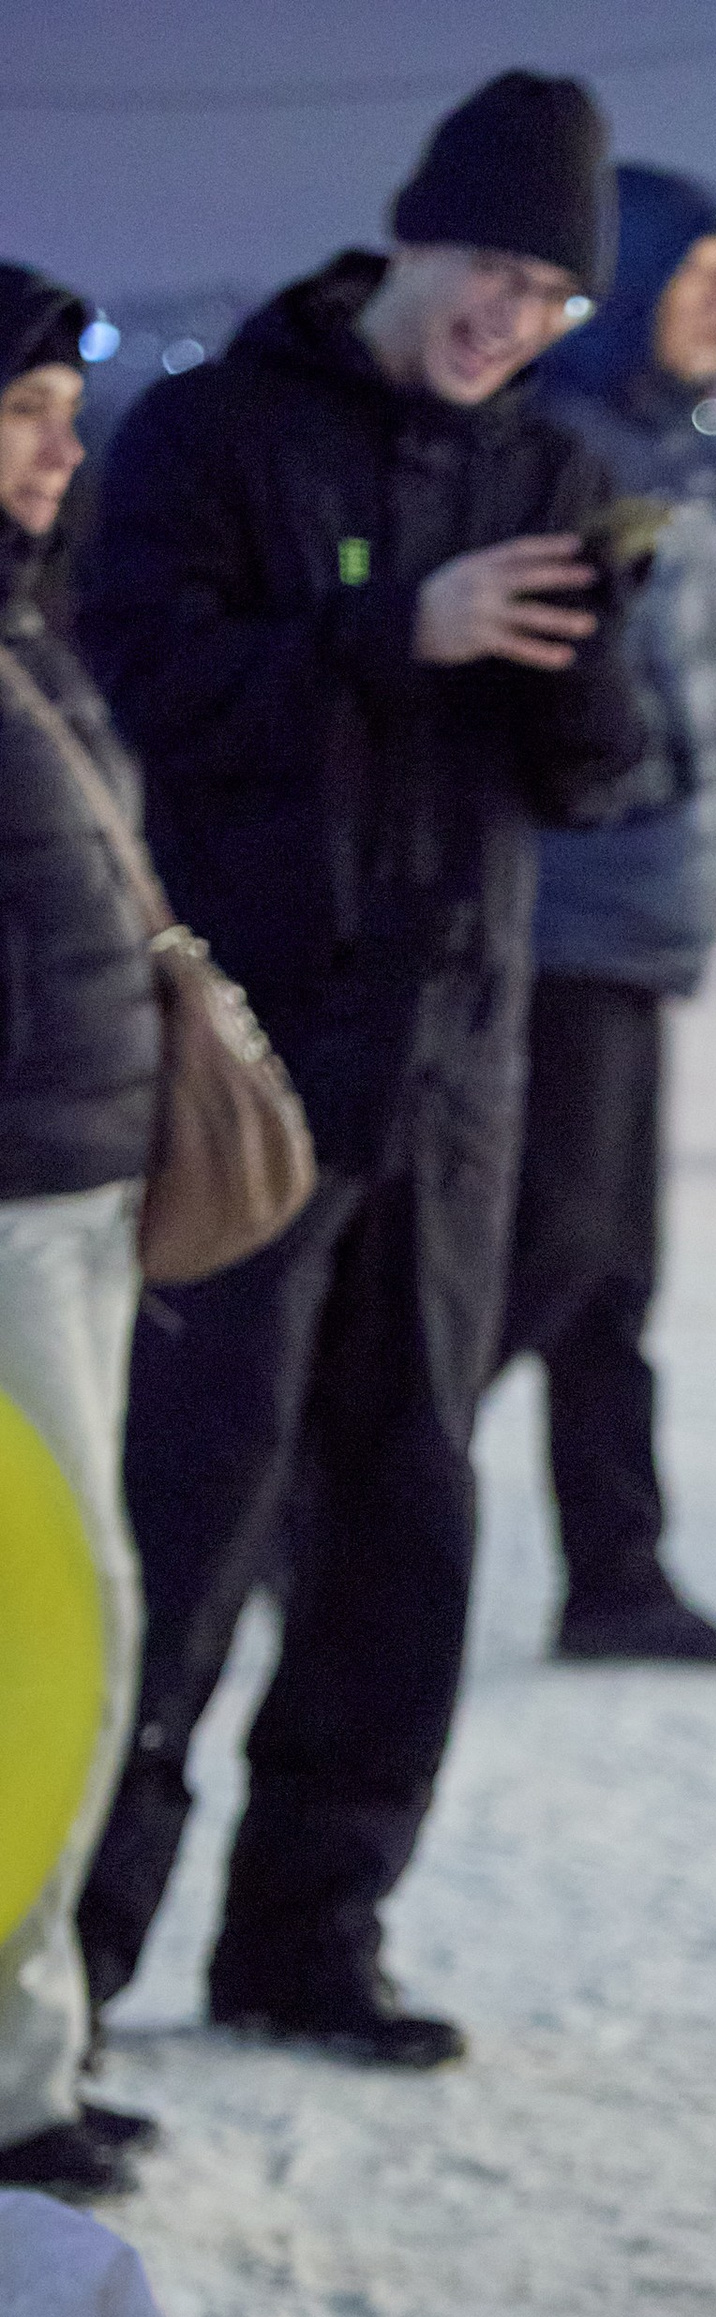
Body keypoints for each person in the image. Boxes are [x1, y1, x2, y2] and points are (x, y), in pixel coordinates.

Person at [74, 74, 647, 2069]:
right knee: (186, 1514)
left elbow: (589, 780)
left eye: (554, 296)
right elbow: (147, 675)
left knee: (407, 1513)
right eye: (497, 271)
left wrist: (585, 680)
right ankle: (73, 1963)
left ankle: (314, 1935)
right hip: (250, 1061)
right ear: (412, 237)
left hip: (460, 1062)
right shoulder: (217, 435)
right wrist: (391, 630)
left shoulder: (556, 472)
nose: (516, 317)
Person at [496, 164, 716, 1668]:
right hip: (563, 921)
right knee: (550, 1258)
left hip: (637, 922)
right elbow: (568, 692)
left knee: (609, 1277)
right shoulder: (568, 456)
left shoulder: (675, 460)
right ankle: (318, 1506)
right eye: (697, 280)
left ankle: (619, 1572)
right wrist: (642, 799)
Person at [0, 269, 161, 2199]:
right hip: (14, 1211)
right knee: (60, 1644)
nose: (63, 450)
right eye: (29, 410)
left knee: (69, 1638)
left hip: (75, 1200)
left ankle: (32, 2049)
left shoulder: (26, 628)